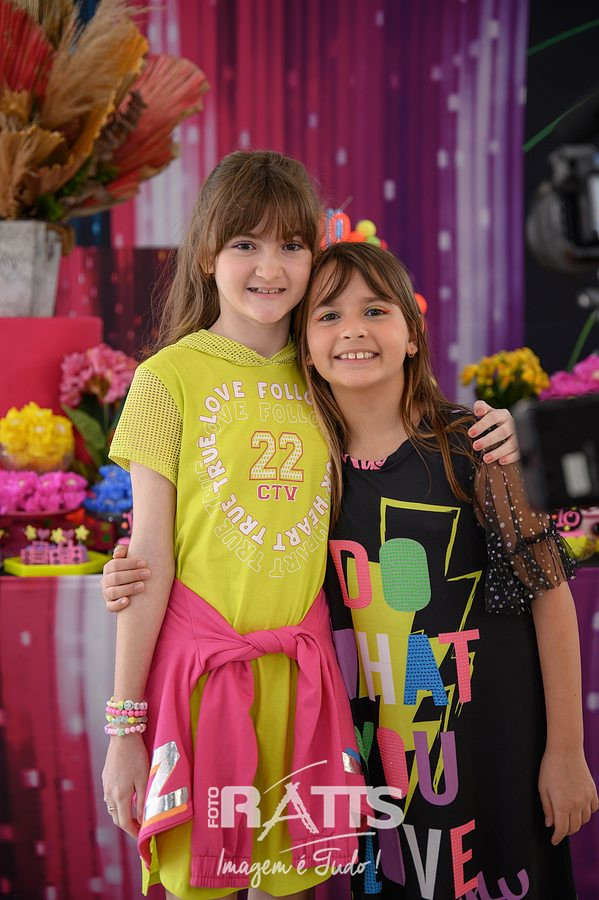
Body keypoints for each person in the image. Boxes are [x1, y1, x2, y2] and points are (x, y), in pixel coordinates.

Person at [100, 150, 521, 900]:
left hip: (304, 680)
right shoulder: (166, 378)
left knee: (289, 885)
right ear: (206, 254)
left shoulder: (322, 368)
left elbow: (405, 428)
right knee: (204, 883)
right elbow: (150, 558)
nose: (270, 267)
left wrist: (495, 433)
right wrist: (125, 729)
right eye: (245, 243)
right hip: (200, 683)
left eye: (291, 245)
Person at [293, 242, 598, 898]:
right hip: (377, 769)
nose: (352, 329)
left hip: (498, 752)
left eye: (375, 310)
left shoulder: (476, 446)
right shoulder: (303, 472)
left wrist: (566, 752)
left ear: (412, 334)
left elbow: (550, 597)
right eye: (328, 315)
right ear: (304, 349)